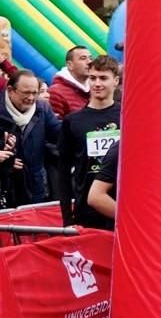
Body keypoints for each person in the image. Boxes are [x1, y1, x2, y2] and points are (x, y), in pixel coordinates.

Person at [58, 54, 120, 229]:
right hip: (86, 211)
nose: (97, 83)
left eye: (103, 78)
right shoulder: (73, 121)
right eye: (92, 78)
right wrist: (67, 219)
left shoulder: (128, 117)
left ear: (115, 81)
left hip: (120, 206)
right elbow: (63, 172)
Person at [4, 70, 61, 204]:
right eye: (26, 93)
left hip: (35, 185)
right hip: (6, 185)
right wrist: (6, 162)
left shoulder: (42, 108)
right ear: (10, 90)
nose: (31, 98)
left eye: (35, 93)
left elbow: (58, 134)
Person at [47, 45, 92, 120]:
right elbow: (55, 125)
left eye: (90, 58)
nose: (89, 62)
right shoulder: (56, 93)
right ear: (70, 65)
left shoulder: (95, 87)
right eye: (83, 58)